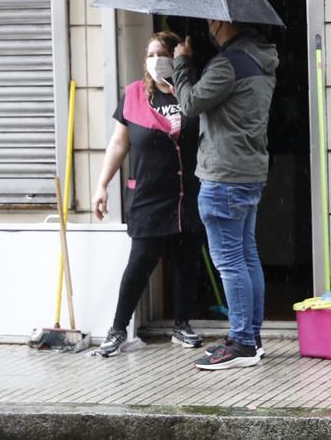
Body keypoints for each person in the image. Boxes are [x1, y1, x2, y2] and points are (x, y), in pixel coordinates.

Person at [171, 19, 278, 371]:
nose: (206, 28)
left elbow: (188, 103)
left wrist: (183, 63)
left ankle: (242, 342)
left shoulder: (227, 63)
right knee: (247, 256)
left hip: (224, 176)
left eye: (209, 22)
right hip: (249, 172)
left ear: (222, 21)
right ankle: (252, 336)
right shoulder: (262, 57)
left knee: (230, 262)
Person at [92, 31, 203, 357]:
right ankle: (116, 329)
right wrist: (102, 184)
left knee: (187, 263)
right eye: (150, 55)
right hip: (149, 196)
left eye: (162, 54)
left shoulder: (191, 93)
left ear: (177, 56)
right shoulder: (135, 94)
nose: (155, 60)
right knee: (139, 264)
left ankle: (182, 325)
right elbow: (119, 142)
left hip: (187, 194)